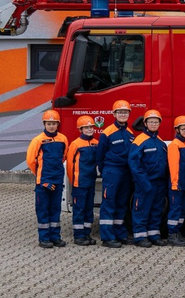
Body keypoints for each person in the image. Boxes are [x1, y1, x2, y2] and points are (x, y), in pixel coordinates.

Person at [97, 100, 136, 248]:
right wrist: (105, 171)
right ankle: (107, 237)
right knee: (109, 203)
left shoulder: (130, 133)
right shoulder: (107, 132)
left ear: (129, 114)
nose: (123, 115)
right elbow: (100, 155)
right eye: (120, 112)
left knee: (122, 203)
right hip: (112, 170)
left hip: (126, 172)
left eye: (125, 112)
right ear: (114, 114)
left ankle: (120, 234)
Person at [27, 110, 68, 248]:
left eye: (54, 123)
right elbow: (31, 161)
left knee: (55, 209)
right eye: (49, 123)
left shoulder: (63, 139)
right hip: (43, 182)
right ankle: (44, 238)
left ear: (58, 124)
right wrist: (40, 175)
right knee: (43, 210)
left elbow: (64, 156)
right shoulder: (38, 140)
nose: (51, 126)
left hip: (57, 180)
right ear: (44, 124)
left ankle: (55, 237)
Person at [129, 110, 169, 247]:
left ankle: (154, 235)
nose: (153, 124)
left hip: (159, 183)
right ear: (145, 123)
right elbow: (134, 164)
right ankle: (140, 237)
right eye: (151, 121)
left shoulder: (160, 142)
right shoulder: (139, 141)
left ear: (159, 123)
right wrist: (144, 182)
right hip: (145, 183)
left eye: (156, 122)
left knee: (157, 210)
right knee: (141, 210)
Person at [65, 115, 99, 246]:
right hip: (79, 183)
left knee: (88, 209)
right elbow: (70, 166)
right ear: (81, 129)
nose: (90, 129)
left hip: (90, 181)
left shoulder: (96, 143)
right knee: (79, 209)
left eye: (91, 127)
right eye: (87, 127)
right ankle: (78, 236)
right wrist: (73, 181)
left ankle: (87, 233)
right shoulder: (75, 144)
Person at [166, 115, 185, 246]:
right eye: (183, 129)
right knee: (175, 209)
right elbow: (173, 166)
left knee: (182, 210)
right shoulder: (174, 145)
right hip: (177, 184)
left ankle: (178, 233)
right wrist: (175, 184)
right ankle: (172, 234)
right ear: (177, 130)